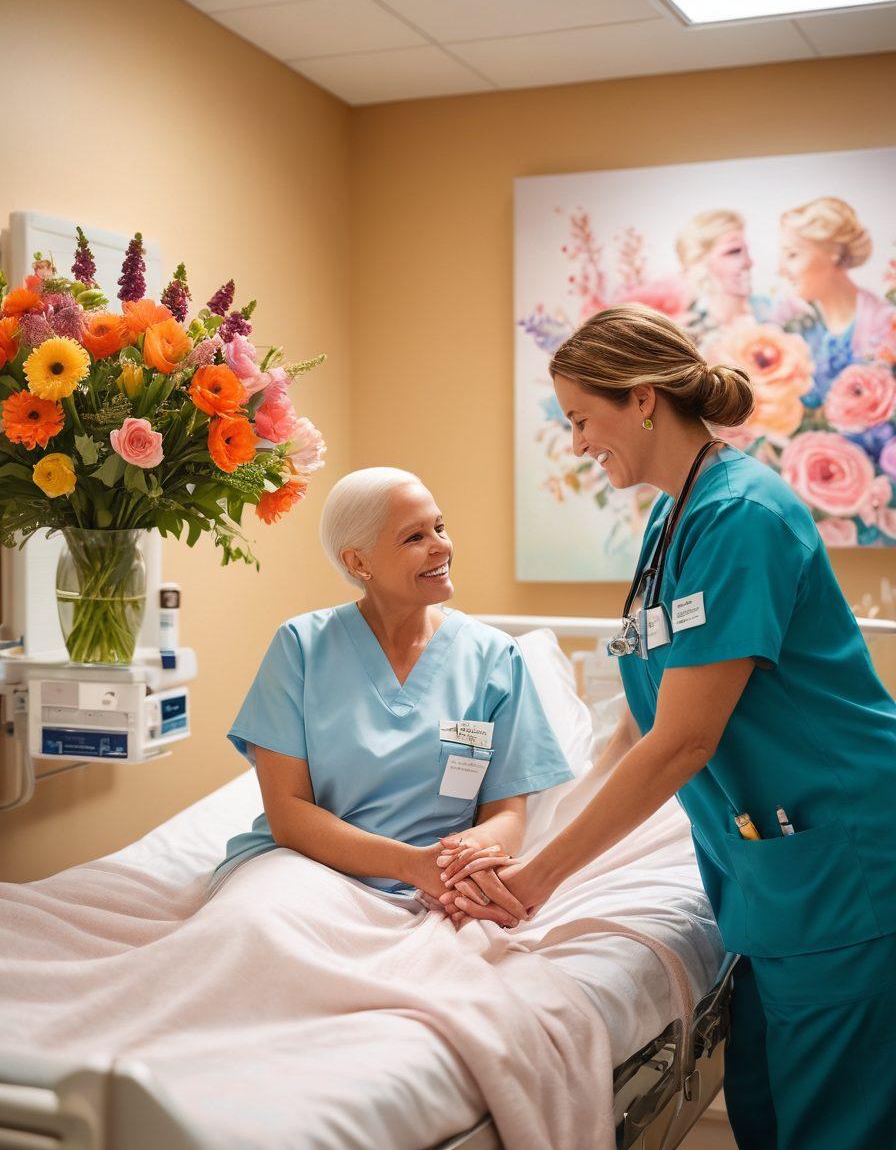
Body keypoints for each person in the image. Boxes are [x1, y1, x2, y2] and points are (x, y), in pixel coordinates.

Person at [440, 305, 896, 1149]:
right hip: (771, 871)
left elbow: (685, 741)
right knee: (768, 1106)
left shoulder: (743, 518)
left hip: (845, 860)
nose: (576, 443)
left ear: (642, 399)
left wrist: (538, 884)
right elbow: (637, 725)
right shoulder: (670, 519)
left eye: (582, 418)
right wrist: (532, 841)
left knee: (835, 1123)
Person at [209, 467, 574, 928]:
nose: (440, 545)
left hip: (442, 886)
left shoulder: (493, 656)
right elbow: (288, 814)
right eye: (414, 537)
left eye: (439, 527)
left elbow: (506, 813)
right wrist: (409, 864)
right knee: (260, 930)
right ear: (359, 562)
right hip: (307, 870)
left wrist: (456, 863)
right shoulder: (301, 646)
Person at [778, 196, 895, 403]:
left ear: (832, 251)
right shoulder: (790, 319)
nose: (782, 270)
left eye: (792, 255)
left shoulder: (884, 322)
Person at [676, 209, 774, 343]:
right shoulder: (690, 332)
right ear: (700, 261)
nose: (748, 262)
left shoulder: (776, 313)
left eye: (746, 250)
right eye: (734, 252)